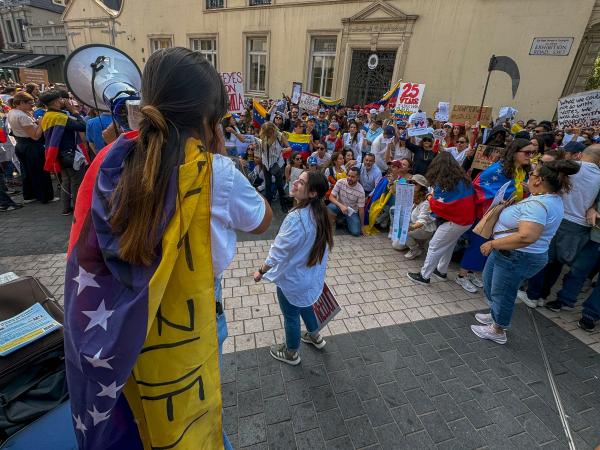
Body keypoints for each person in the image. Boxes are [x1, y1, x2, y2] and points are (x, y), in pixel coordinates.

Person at [63, 47, 272, 450]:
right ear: (211, 120)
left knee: (141, 409)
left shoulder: (110, 158)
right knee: (189, 408)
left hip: (123, 321)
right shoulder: (216, 172)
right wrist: (221, 157)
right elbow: (262, 219)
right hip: (191, 316)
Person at [471, 160, 580, 344]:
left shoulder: (537, 205)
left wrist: (493, 244)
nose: (528, 177)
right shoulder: (547, 197)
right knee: (491, 285)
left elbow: (526, 237)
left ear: (539, 180)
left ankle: (498, 329)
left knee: (503, 292)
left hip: (516, 255)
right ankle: (495, 315)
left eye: (531, 175)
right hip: (510, 254)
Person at [253, 171, 333, 364]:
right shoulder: (322, 213)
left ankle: (291, 353)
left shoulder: (296, 217)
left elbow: (277, 252)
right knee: (305, 305)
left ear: (312, 193)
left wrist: (261, 271)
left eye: (301, 182)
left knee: (291, 316)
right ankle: (315, 336)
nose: (295, 182)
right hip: (310, 278)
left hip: (293, 281)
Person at [520, 145, 600, 307]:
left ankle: (532, 295)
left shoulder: (571, 168)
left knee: (542, 256)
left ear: (582, 154)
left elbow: (546, 172)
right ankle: (542, 295)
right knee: (557, 262)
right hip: (580, 226)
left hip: (559, 217)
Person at [455, 138, 533, 293]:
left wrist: (527, 190)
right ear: (515, 152)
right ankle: (462, 275)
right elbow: (478, 185)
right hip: (488, 213)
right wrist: (505, 197)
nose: (530, 156)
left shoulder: (523, 171)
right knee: (478, 243)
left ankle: (473, 273)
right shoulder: (499, 169)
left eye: (532, 152)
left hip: (505, 215)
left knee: (490, 244)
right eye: (527, 152)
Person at [407, 152, 475, 285]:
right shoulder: (464, 180)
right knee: (448, 245)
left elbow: (438, 206)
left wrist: (429, 198)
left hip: (454, 221)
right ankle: (441, 271)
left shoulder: (444, 184)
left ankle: (424, 276)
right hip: (466, 221)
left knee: (434, 246)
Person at [7, 91, 55, 204]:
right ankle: (44, 196)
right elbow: (35, 136)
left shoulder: (13, 112)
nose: (32, 106)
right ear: (21, 103)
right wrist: (41, 123)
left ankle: (30, 195)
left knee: (27, 172)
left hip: (21, 145)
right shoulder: (22, 116)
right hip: (30, 146)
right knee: (39, 171)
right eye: (30, 103)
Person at [391, 174, 436, 258]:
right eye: (410, 182)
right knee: (396, 245)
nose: (411, 184)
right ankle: (416, 241)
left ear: (422, 187)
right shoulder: (412, 193)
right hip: (414, 224)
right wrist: (392, 183)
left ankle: (415, 250)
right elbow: (395, 192)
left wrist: (410, 227)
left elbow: (422, 221)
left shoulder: (426, 202)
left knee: (405, 232)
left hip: (425, 229)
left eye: (415, 183)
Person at [258, 121, 291, 213]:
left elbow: (289, 147)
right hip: (265, 163)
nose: (267, 134)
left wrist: (285, 150)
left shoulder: (280, 136)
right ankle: (268, 205)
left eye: (268, 132)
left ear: (272, 131)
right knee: (267, 185)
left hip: (277, 164)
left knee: (279, 185)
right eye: (265, 132)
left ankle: (283, 204)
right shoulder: (263, 135)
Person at [327, 166, 365, 236]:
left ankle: (343, 220)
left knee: (356, 232)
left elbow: (361, 210)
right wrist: (341, 206)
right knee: (328, 208)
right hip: (339, 207)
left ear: (358, 178)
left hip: (352, 212)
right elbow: (331, 197)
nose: (349, 178)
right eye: (348, 175)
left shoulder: (361, 191)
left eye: (353, 177)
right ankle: (341, 220)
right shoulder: (340, 182)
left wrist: (362, 226)